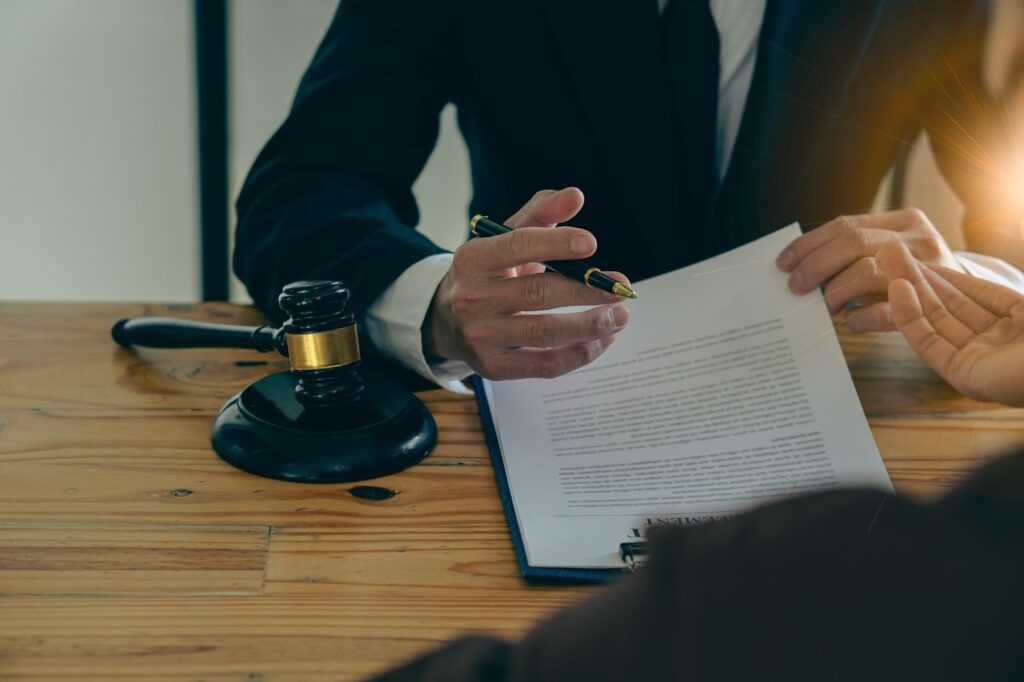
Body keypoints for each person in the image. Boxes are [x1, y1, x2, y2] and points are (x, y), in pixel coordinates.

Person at [235, 0, 1024, 390]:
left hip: (815, 421)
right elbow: (299, 192)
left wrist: (980, 283)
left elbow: (1007, 197)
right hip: (542, 412)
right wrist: (437, 305)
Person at [360, 250, 1024, 681]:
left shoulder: (777, 580)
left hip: (837, 399)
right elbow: (301, 184)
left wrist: (970, 264)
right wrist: (436, 306)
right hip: (521, 420)